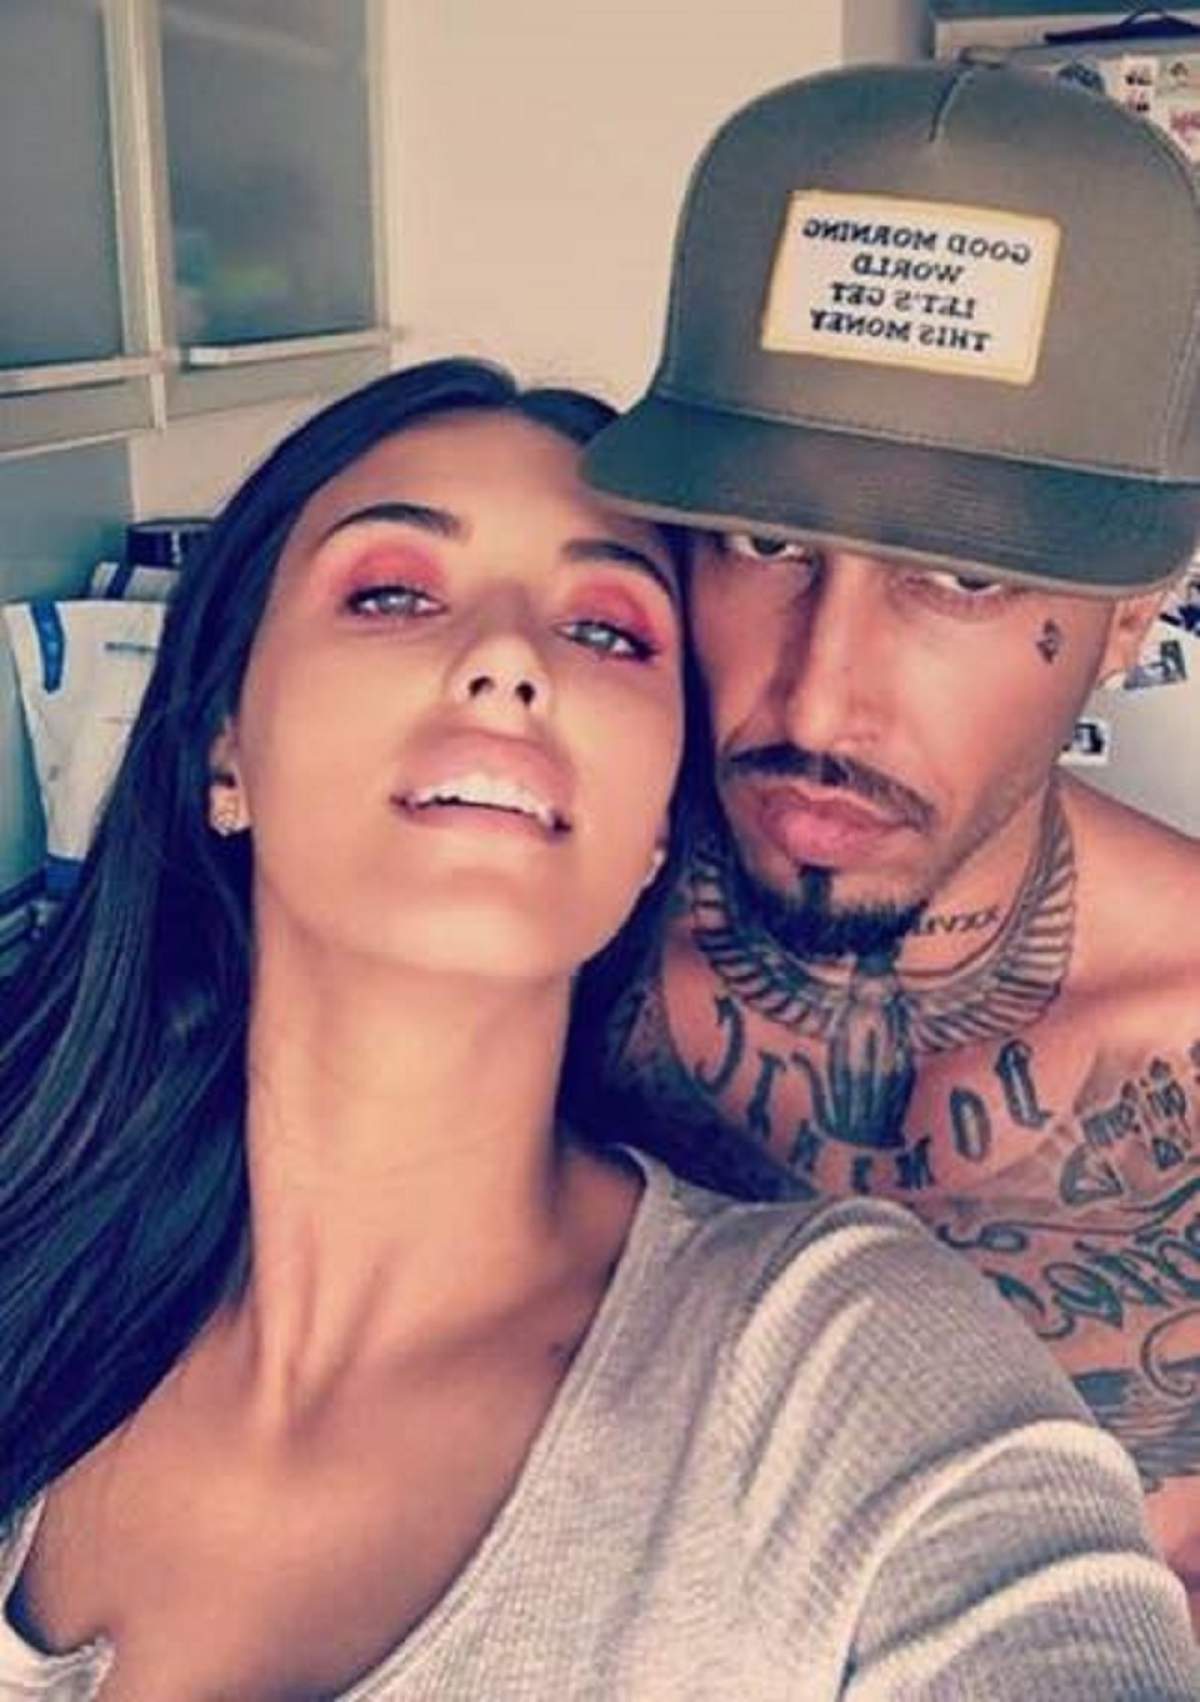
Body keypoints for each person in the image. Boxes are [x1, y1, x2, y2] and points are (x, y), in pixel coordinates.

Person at [0, 359, 1195, 1698]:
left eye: (609, 631)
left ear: (655, 829)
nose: (510, 658)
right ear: (226, 741)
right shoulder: (32, 1227)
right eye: (391, 593)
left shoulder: (841, 1369)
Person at [581, 60, 1200, 1617]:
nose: (818, 696)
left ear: (1133, 616)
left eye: (963, 578)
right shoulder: (547, 940)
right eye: (766, 540)